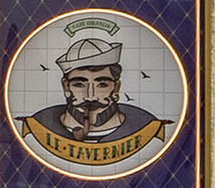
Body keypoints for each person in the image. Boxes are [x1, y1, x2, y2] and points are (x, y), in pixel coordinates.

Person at [17, 22, 166, 168]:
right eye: (79, 84)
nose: (90, 96)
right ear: (66, 87)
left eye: (102, 84)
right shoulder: (41, 124)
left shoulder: (143, 125)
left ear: (116, 88)